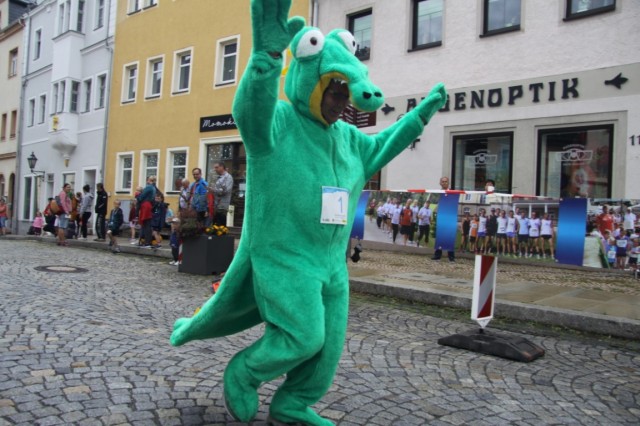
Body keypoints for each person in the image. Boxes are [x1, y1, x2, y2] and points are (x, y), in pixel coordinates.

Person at [169, 2, 447, 423]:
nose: (340, 102)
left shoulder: (348, 139)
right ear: (312, 82)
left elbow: (383, 144)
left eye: (344, 93)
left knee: (328, 346)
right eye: (334, 92)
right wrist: (266, 60)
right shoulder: (280, 122)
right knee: (303, 336)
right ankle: (245, 372)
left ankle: (293, 404)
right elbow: (250, 111)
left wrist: (419, 117)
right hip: (284, 256)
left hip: (331, 264)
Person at [431, 176, 456, 262]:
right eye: (443, 181)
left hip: (449, 216)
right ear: (440, 183)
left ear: (448, 183)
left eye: (446, 181)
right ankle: (437, 255)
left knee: (450, 235)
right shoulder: (438, 193)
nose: (444, 183)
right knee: (440, 235)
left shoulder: (453, 192)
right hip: (441, 216)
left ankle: (451, 256)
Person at [136, 176, 157, 248]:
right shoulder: (154, 188)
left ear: (149, 180)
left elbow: (141, 197)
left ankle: (147, 242)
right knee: (147, 224)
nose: (147, 181)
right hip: (149, 205)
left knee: (146, 224)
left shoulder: (148, 187)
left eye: (147, 180)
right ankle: (146, 241)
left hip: (145, 206)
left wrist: (137, 194)